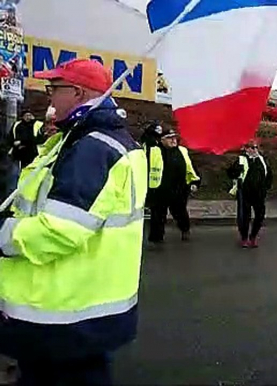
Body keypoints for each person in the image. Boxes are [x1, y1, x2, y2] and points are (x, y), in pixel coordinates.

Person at [0, 58, 147, 385]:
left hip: (66, 316)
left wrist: (2, 235)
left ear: (78, 92)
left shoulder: (91, 147)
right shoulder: (87, 140)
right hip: (80, 310)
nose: (50, 97)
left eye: (55, 89)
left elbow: (59, 230)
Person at [146, 126, 201, 244]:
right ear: (161, 140)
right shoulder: (154, 150)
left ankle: (185, 229)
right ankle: (156, 237)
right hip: (159, 189)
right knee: (158, 215)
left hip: (179, 189)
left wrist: (195, 182)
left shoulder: (182, 151)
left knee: (180, 212)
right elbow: (146, 140)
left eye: (175, 138)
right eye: (169, 138)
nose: (173, 140)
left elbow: (191, 167)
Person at [227, 140, 272, 248]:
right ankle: (244, 238)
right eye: (251, 148)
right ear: (246, 149)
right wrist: (237, 171)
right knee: (244, 217)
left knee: (260, 215)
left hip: (259, 193)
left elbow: (269, 175)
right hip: (245, 192)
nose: (254, 150)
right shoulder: (241, 160)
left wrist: (266, 187)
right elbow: (230, 173)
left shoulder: (262, 160)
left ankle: (253, 236)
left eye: (255, 148)